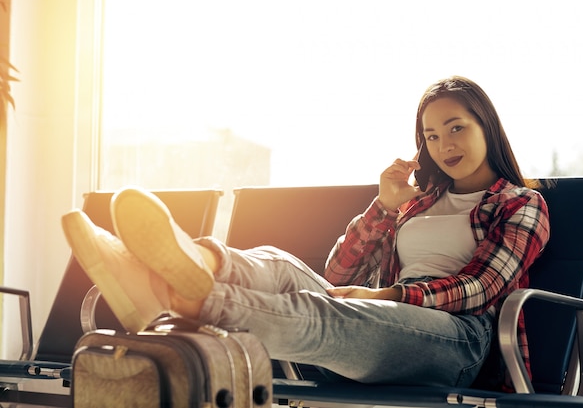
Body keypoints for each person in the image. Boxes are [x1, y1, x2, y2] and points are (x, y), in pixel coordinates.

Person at [61, 76, 550, 390]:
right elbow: (337, 270)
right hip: (385, 318)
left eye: (456, 128)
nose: (443, 145)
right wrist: (383, 207)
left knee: (323, 311)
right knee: (278, 263)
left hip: (458, 344)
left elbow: (480, 288)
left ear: (486, 124)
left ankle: (168, 300)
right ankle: (180, 269)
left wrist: (387, 293)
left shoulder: (521, 204)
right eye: (430, 135)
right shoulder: (417, 202)